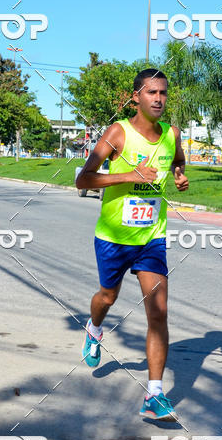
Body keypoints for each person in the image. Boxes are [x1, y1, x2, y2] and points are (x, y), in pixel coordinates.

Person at [76, 68, 189, 420]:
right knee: (107, 297)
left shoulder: (171, 134)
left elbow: (178, 160)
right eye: (152, 92)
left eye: (163, 93)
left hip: (151, 238)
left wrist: (179, 174)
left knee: (158, 312)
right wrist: (128, 175)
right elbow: (83, 179)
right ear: (136, 97)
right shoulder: (118, 133)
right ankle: (95, 329)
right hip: (113, 238)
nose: (159, 99)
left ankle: (154, 394)